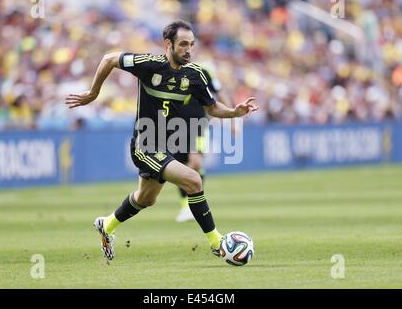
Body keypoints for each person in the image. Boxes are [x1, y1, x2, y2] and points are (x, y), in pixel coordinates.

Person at [66, 20, 258, 261]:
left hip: (166, 145)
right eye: (183, 44)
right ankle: (218, 242)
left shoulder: (195, 75)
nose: (188, 49)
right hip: (144, 145)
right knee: (193, 180)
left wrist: (233, 112)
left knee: (146, 198)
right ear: (168, 44)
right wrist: (93, 93)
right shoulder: (149, 64)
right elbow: (109, 59)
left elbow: (211, 107)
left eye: (192, 44)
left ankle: (107, 224)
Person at [173, 64, 234, 223]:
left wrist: (232, 117)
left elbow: (219, 92)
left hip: (198, 123)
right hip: (175, 125)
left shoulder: (204, 70)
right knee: (182, 168)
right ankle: (185, 207)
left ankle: (195, 204)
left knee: (195, 163)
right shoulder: (169, 69)